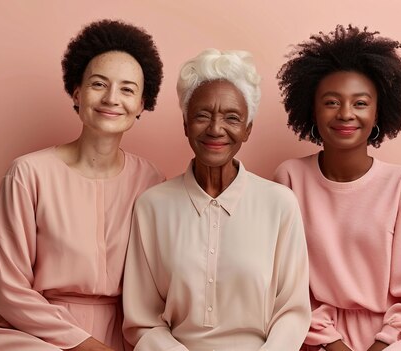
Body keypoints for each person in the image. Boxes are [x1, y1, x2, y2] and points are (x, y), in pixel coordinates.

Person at [273, 25, 401, 351]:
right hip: (320, 332)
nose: (345, 114)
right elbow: (287, 285)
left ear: (378, 112)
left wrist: (383, 343)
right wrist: (330, 342)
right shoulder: (290, 178)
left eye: (360, 103)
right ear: (312, 109)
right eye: (331, 102)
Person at [0, 19, 164, 351]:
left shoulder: (152, 180)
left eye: (127, 89)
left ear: (142, 104)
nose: (112, 98)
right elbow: (8, 289)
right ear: (77, 91)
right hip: (35, 334)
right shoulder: (28, 174)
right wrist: (84, 345)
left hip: (126, 334)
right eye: (99, 84)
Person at [122, 49, 311, 351]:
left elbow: (292, 311)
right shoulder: (151, 206)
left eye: (232, 118)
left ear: (247, 129)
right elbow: (143, 320)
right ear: (185, 124)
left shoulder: (280, 204)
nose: (215, 128)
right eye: (202, 115)